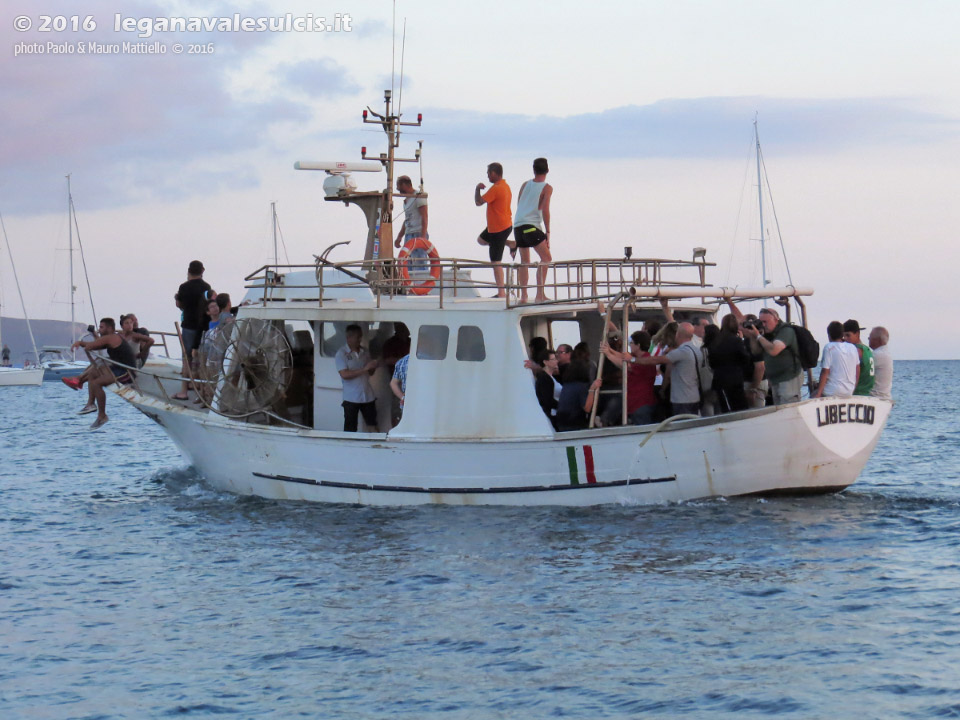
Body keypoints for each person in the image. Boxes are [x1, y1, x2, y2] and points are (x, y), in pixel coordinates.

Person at [70, 317, 137, 429]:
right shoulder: (111, 337)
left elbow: (92, 345)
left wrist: (80, 343)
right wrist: (82, 343)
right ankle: (90, 404)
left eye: (101, 327)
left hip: (127, 371)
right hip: (118, 367)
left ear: (109, 328)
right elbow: (96, 344)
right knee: (93, 373)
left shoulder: (111, 337)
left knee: (97, 383)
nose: (99, 330)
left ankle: (102, 416)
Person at [508, 157, 553, 303]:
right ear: (547, 170)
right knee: (546, 259)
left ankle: (524, 297)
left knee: (524, 262)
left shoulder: (524, 185)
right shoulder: (547, 188)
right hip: (531, 227)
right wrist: (547, 232)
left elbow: (520, 203)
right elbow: (545, 209)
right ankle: (540, 295)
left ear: (533, 170)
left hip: (518, 226)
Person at [635, 322, 704, 416]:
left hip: (682, 398)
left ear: (678, 334)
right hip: (694, 396)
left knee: (681, 424)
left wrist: (632, 359)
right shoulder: (696, 350)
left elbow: (656, 360)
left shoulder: (682, 352)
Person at [741, 307, 802, 406]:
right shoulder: (767, 334)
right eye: (761, 322)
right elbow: (756, 351)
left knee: (788, 407)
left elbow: (774, 350)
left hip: (789, 377)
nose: (763, 325)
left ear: (776, 320)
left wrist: (759, 336)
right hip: (775, 379)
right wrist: (753, 336)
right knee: (778, 409)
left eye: (766, 322)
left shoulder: (785, 331)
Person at [599, 330, 658, 424]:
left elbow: (626, 366)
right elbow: (623, 357)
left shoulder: (645, 360)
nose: (629, 345)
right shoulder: (637, 357)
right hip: (636, 403)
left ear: (638, 345)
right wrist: (609, 350)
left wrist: (608, 354)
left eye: (631, 343)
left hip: (641, 403)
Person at [173, 260, 211, 400]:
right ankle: (200, 388)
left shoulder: (184, 287)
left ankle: (186, 387)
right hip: (203, 326)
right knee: (200, 358)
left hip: (188, 325)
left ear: (189, 270)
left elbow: (180, 305)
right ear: (202, 270)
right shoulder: (206, 286)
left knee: (187, 357)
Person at [474, 162, 513, 298]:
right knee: (481, 240)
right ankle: (510, 243)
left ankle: (501, 292)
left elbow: (478, 202)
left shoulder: (496, 188)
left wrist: (477, 189)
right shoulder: (505, 186)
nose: (488, 176)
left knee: (496, 261)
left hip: (498, 228)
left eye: (488, 173)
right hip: (501, 225)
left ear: (494, 173)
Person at [335, 324, 378, 432]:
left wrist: (373, 366)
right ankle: (349, 448)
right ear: (349, 338)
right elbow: (344, 374)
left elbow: (370, 372)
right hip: (351, 397)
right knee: (350, 428)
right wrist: (364, 369)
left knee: (372, 424)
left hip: (367, 395)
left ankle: (376, 447)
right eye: (357, 337)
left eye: (361, 336)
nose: (360, 339)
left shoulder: (365, 351)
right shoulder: (341, 354)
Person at [708, 314, 752, 413]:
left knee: (726, 408)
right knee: (740, 408)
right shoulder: (736, 341)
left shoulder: (715, 341)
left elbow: (711, 362)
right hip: (735, 379)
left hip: (719, 379)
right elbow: (745, 359)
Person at [814, 321, 860, 398]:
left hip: (832, 391)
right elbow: (857, 369)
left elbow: (825, 371)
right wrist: (853, 387)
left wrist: (818, 393)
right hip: (849, 391)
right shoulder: (852, 347)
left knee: (812, 395)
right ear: (842, 334)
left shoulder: (829, 347)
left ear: (829, 335)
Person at [555, 361, 602, 431]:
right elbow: (587, 408)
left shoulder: (566, 386)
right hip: (575, 423)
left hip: (561, 423)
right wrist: (592, 389)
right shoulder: (582, 387)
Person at [393, 175, 429, 248]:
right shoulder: (406, 200)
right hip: (408, 234)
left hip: (418, 233)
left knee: (419, 258)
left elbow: (424, 216)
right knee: (408, 258)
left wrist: (423, 236)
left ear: (404, 185)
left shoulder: (419, 196)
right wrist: (399, 237)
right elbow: (407, 219)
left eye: (398, 186)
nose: (397, 189)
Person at [843, 319, 875, 396]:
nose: (845, 339)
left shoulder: (856, 350)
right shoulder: (867, 350)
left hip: (858, 393)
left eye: (848, 335)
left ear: (857, 334)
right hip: (867, 392)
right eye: (844, 336)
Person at [532, 348, 561, 425]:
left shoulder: (551, 377)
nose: (556, 361)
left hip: (556, 413)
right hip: (552, 415)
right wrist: (562, 405)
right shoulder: (544, 378)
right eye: (553, 359)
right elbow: (547, 400)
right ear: (545, 362)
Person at [869, 326, 893, 401]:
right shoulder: (885, 353)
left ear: (877, 340)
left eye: (870, 337)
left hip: (877, 399)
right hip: (885, 397)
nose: (868, 339)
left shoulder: (877, 355)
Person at [389, 352, 410, 423]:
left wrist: (402, 397)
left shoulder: (402, 361)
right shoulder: (432, 361)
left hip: (407, 403)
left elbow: (393, 383)